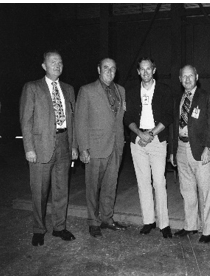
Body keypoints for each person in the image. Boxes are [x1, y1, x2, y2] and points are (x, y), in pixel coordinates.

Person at [8, 51, 79, 247]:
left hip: (64, 143)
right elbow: (26, 120)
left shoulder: (68, 89)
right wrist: (29, 148)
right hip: (40, 147)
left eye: (60, 62)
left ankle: (59, 227)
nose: (57, 65)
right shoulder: (32, 88)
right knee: (39, 191)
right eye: (53, 62)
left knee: (61, 189)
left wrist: (74, 146)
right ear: (44, 66)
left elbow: (72, 120)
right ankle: (38, 230)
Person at [124, 58, 177, 238]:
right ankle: (148, 221)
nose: (146, 72)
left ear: (154, 70)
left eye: (149, 69)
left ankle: (164, 223)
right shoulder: (131, 92)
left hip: (157, 140)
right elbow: (127, 117)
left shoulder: (164, 90)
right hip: (138, 141)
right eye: (142, 69)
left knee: (159, 182)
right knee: (143, 182)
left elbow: (168, 116)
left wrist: (151, 134)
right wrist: (140, 133)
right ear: (138, 72)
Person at [74, 58, 127, 238]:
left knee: (110, 185)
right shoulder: (87, 91)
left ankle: (107, 219)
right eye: (106, 68)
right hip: (95, 147)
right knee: (92, 188)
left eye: (113, 68)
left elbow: (118, 120)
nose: (110, 71)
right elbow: (80, 121)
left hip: (116, 146)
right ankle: (92, 222)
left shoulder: (121, 91)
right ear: (98, 69)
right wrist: (83, 148)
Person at [168, 65, 210, 243]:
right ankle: (190, 225)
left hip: (200, 149)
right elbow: (174, 125)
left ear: (197, 77)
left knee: (205, 190)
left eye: (190, 76)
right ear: (180, 79)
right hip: (181, 147)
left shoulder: (205, 96)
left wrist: (208, 147)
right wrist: (173, 151)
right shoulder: (178, 98)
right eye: (184, 77)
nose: (187, 80)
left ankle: (208, 230)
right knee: (186, 190)